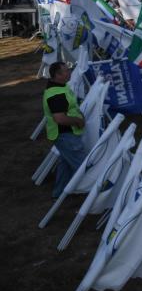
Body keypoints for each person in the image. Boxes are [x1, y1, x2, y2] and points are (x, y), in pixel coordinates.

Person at [43, 62, 87, 198]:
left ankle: (59, 192)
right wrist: (78, 121)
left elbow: (70, 106)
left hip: (66, 134)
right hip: (65, 135)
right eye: (66, 71)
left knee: (66, 163)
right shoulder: (56, 94)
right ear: (58, 75)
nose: (70, 72)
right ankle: (90, 195)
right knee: (82, 166)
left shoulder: (61, 87)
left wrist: (79, 114)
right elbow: (60, 118)